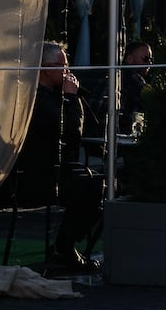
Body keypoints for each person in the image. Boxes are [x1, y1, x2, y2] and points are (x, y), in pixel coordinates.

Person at [14, 42, 104, 273]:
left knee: (101, 183)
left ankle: (66, 245)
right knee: (92, 185)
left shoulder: (53, 96)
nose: (67, 71)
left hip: (55, 170)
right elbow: (72, 132)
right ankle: (65, 248)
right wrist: (71, 98)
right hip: (37, 176)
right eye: (61, 66)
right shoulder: (38, 99)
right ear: (44, 68)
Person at [117, 40, 154, 136]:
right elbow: (151, 102)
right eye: (145, 59)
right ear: (129, 59)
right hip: (122, 135)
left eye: (151, 60)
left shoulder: (115, 75)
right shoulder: (133, 79)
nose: (149, 64)